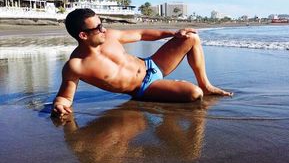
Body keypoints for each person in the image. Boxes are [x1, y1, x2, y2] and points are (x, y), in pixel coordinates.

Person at [52, 8, 232, 117]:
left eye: (102, 24)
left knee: (191, 37)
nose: (104, 29)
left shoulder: (111, 36)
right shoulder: (76, 65)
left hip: (151, 64)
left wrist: (174, 34)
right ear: (83, 35)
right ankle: (180, 88)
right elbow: (65, 97)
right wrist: (60, 105)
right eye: (98, 28)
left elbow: (142, 34)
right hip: (144, 88)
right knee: (194, 94)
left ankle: (206, 84)